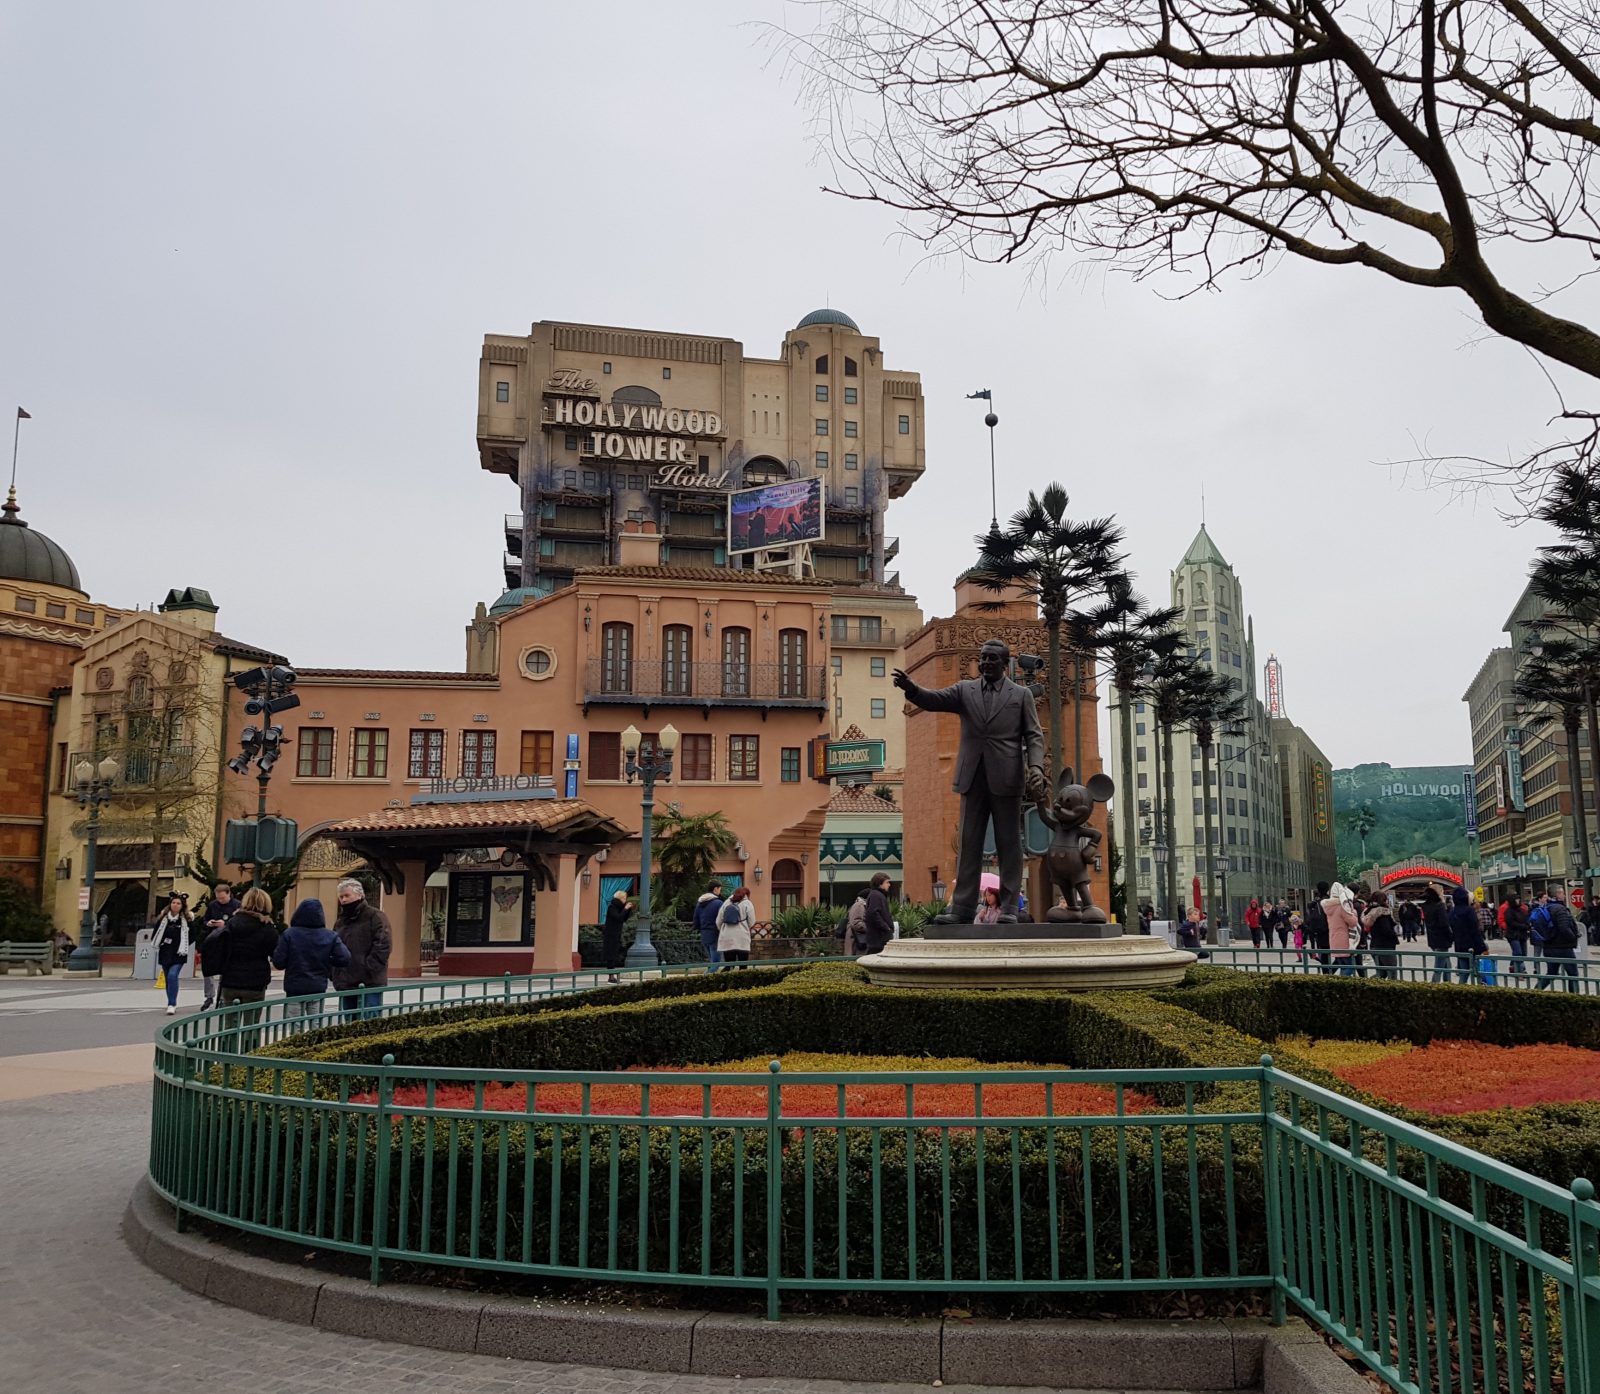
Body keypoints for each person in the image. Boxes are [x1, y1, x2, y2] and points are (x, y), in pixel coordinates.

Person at [893, 638, 1047, 922]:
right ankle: (962, 909)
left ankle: (1010, 907)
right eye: (983, 657)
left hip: (1007, 776)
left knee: (1009, 843)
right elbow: (934, 699)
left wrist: (1035, 767)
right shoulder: (965, 690)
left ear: (1004, 664)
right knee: (969, 842)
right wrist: (911, 689)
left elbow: (1034, 735)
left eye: (991, 659)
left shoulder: (1021, 695)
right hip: (972, 775)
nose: (986, 662)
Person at [203, 887, 278, 1045]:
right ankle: (248, 1061)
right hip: (255, 981)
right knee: (251, 1026)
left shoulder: (232, 923)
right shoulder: (267, 928)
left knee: (229, 1025)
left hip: (230, 979)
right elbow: (275, 955)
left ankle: (227, 1062)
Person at [271, 898, 350, 1019]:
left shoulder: (289, 934)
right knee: (316, 1025)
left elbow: (279, 962)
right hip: (317, 986)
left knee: (293, 1025)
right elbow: (344, 958)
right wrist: (327, 961)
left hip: (294, 986)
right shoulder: (330, 936)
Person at [330, 878, 392, 1016]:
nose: (344, 900)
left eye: (347, 895)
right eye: (341, 897)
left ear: (359, 895)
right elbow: (334, 946)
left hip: (370, 980)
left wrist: (369, 966)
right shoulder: (340, 922)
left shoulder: (375, 916)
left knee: (370, 1019)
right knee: (349, 1021)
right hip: (346, 980)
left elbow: (383, 943)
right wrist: (334, 971)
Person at [197, 882, 239, 1010]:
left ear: (229, 894)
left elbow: (238, 923)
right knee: (208, 969)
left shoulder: (237, 905)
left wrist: (225, 923)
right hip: (213, 940)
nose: (220, 901)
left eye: (222, 898)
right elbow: (205, 920)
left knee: (225, 969)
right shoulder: (213, 905)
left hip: (228, 941)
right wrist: (209, 923)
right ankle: (209, 996)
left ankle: (222, 997)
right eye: (218, 898)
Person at [152, 894, 192, 1015]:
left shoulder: (186, 920)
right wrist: (161, 942)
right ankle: (170, 1001)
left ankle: (172, 1004)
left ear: (182, 906)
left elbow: (193, 935)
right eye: (173, 903)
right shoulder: (163, 919)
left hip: (179, 953)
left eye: (178, 903)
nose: (175, 905)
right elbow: (156, 933)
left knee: (172, 975)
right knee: (168, 978)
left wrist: (183, 944)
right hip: (165, 952)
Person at [1535, 888, 1581, 991]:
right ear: (1557, 895)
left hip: (1548, 946)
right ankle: (1574, 1000)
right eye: (1563, 893)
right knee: (1573, 974)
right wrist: (1574, 937)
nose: (1564, 895)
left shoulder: (1546, 907)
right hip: (1563, 947)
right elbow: (1564, 928)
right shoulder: (1560, 909)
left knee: (1551, 973)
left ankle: (1534, 992)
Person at [1448, 886, 1487, 984]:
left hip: (1459, 945)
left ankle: (1461, 991)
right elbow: (1474, 930)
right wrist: (1482, 946)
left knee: (1464, 972)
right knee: (1477, 971)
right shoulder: (1469, 911)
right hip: (1472, 945)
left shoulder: (1452, 912)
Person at [1322, 883, 1360, 976]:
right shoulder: (1342, 906)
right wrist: (1354, 912)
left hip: (1334, 939)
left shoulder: (1328, 906)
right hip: (1345, 940)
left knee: (1342, 964)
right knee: (1349, 967)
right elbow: (1352, 922)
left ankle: (1337, 984)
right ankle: (1341, 985)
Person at [1422, 884, 1454, 982]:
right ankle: (1435, 986)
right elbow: (1444, 924)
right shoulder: (1440, 906)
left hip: (1432, 938)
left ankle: (1447, 984)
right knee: (1439, 967)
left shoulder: (1426, 905)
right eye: (1442, 892)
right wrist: (1451, 936)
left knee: (1447, 965)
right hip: (1442, 939)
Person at [693, 881, 726, 971]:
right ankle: (705, 978)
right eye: (720, 889)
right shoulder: (718, 903)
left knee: (712, 961)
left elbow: (696, 919)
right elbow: (722, 919)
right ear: (715, 889)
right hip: (715, 934)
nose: (720, 892)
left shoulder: (700, 903)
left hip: (704, 934)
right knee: (716, 963)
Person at [718, 886, 754, 967]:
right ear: (746, 895)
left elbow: (718, 921)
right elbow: (752, 921)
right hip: (742, 938)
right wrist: (744, 926)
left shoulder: (726, 903)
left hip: (727, 938)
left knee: (729, 966)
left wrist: (723, 930)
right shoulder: (747, 903)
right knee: (743, 966)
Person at [859, 872, 895, 954]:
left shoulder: (877, 895)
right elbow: (873, 914)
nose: (889, 885)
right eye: (887, 882)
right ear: (880, 884)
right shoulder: (876, 895)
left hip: (878, 939)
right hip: (878, 939)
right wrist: (886, 928)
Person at [602, 889, 632, 983]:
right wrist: (625, 909)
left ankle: (612, 976)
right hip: (610, 935)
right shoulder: (612, 907)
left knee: (614, 954)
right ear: (621, 898)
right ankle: (611, 977)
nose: (625, 900)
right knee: (610, 955)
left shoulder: (619, 908)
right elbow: (618, 917)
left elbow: (623, 918)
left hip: (616, 934)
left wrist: (628, 910)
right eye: (624, 898)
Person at [1304, 883, 1332, 973]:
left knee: (1324, 955)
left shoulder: (1315, 903)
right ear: (1328, 890)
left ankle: (1326, 974)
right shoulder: (1329, 901)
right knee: (1341, 955)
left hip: (1319, 933)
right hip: (1330, 931)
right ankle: (1331, 972)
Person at [1502, 894, 1530, 975]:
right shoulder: (1509, 911)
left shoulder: (1522, 910)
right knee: (1518, 952)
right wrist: (1522, 926)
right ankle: (1520, 971)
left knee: (1523, 953)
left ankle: (1513, 966)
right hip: (1513, 935)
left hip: (1522, 935)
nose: (1518, 901)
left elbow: (1526, 919)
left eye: (1519, 899)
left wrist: (1527, 925)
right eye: (1516, 900)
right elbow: (1511, 922)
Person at [844, 889, 868, 954]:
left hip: (857, 938)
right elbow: (855, 923)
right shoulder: (859, 905)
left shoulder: (861, 905)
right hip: (856, 939)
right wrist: (870, 927)